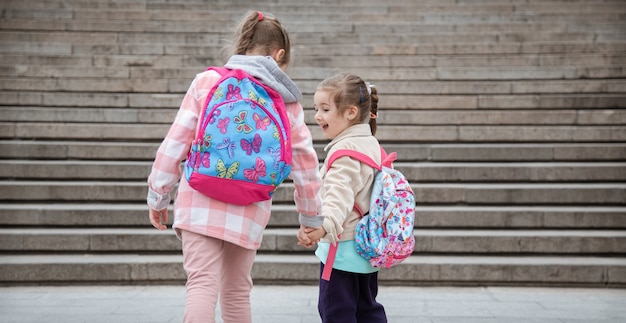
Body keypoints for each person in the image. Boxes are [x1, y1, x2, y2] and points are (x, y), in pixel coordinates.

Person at [147, 10, 323, 323]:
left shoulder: (207, 81)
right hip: (250, 204)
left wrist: (158, 194)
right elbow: (305, 163)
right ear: (278, 54)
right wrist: (310, 216)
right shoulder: (286, 100)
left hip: (199, 199)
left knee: (201, 284)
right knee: (237, 290)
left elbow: (174, 143)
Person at [298, 72, 387, 322]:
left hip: (342, 252)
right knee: (367, 310)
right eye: (316, 108)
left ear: (350, 112)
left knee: (336, 313)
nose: (317, 115)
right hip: (366, 250)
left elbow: (338, 198)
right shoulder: (369, 143)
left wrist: (322, 227)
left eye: (325, 109)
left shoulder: (345, 153)